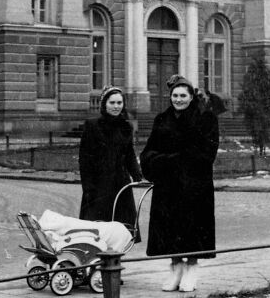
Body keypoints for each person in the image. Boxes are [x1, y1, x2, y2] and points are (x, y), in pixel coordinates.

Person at [140, 75, 220, 292]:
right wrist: (162, 162)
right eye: (175, 95)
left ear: (191, 96)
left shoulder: (205, 119)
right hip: (167, 188)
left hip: (194, 187)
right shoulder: (161, 119)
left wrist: (170, 160)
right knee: (168, 231)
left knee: (192, 230)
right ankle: (175, 268)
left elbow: (205, 154)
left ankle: (192, 269)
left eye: (183, 95)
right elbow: (148, 152)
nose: (178, 99)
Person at [79, 86, 143, 234]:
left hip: (120, 184)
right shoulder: (92, 125)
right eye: (112, 103)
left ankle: (116, 258)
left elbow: (129, 154)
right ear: (104, 104)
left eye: (119, 103)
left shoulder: (126, 126)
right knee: (97, 229)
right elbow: (85, 159)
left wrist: (137, 175)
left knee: (121, 230)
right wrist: (88, 187)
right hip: (98, 185)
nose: (116, 107)